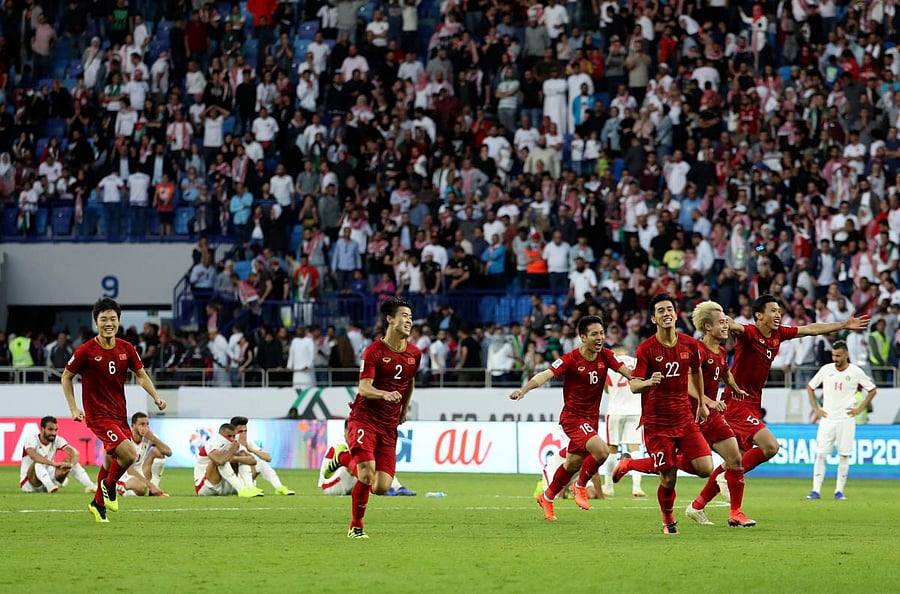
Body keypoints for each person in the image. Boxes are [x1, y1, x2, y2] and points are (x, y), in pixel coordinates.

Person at [694, 295, 870, 508]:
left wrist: (844, 324)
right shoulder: (749, 333)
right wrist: (724, 320)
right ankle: (728, 478)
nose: (778, 314)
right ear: (759, 315)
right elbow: (735, 327)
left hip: (753, 403)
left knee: (737, 457)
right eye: (773, 311)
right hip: (737, 401)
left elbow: (811, 329)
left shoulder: (779, 334)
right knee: (770, 447)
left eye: (779, 311)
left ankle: (697, 505)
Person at [510, 314, 633, 519]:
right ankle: (579, 485)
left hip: (591, 420)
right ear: (583, 337)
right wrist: (524, 390)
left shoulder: (606, 356)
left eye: (601, 333)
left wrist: (646, 381)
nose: (599, 337)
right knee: (601, 451)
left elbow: (628, 372)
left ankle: (547, 498)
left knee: (572, 464)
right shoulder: (571, 359)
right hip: (573, 419)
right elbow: (545, 375)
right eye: (594, 334)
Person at [321, 298, 422, 538]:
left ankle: (342, 457)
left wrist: (404, 410)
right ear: (390, 319)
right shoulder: (374, 351)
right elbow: (364, 388)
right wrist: (384, 394)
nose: (409, 320)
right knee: (366, 474)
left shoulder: (414, 354)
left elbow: (409, 382)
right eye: (404, 315)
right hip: (365, 418)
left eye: (411, 317)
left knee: (381, 487)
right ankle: (356, 527)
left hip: (389, 425)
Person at [61, 298, 168, 523]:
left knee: (111, 462)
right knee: (130, 454)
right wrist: (73, 407)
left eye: (112, 318)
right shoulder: (86, 351)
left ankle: (98, 505)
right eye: (103, 319)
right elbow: (66, 376)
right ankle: (110, 486)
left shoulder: (126, 348)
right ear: (96, 322)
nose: (108, 323)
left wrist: (156, 397)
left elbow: (140, 375)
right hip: (98, 416)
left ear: (118, 321)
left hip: (120, 414)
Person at [614, 294, 712, 535]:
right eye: (661, 310)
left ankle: (632, 463)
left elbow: (696, 372)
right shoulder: (647, 348)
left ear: (676, 314)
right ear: (653, 318)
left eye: (670, 309)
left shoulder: (689, 344)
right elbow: (634, 385)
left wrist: (701, 402)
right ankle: (668, 520)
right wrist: (648, 382)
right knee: (668, 479)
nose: (666, 313)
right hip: (657, 422)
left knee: (705, 468)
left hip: (684, 418)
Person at [683, 301, 756, 527]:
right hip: (693, 414)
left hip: (710, 414)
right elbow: (687, 382)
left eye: (726, 322)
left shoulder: (722, 350)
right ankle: (630, 465)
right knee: (681, 465)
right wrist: (707, 401)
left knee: (735, 458)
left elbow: (725, 373)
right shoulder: (697, 350)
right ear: (707, 327)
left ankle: (734, 512)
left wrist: (735, 389)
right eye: (721, 323)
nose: (726, 326)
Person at [805, 340, 877, 500]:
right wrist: (816, 409)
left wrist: (860, 408)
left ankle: (839, 491)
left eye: (838, 355)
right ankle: (815, 490)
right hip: (828, 419)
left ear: (846, 355)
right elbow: (810, 387)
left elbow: (872, 390)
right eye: (833, 355)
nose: (835, 358)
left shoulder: (855, 371)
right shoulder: (826, 370)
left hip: (846, 420)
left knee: (844, 455)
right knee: (821, 454)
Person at [600, 346, 644, 498]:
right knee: (635, 449)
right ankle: (637, 487)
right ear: (625, 351)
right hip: (635, 410)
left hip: (615, 410)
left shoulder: (609, 364)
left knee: (612, 448)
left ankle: (608, 486)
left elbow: (606, 389)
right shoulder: (637, 362)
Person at [20, 416, 96, 494]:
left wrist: (71, 464)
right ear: (42, 429)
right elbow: (33, 455)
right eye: (50, 429)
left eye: (56, 430)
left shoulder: (57, 440)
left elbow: (74, 453)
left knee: (70, 461)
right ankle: (49, 486)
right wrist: (54, 464)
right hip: (30, 484)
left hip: (49, 478)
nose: (53, 433)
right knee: (38, 462)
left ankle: (90, 486)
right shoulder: (32, 439)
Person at [193, 422, 265, 498]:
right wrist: (232, 451)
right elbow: (219, 461)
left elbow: (253, 461)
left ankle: (250, 488)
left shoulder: (234, 443)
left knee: (242, 456)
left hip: (227, 484)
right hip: (207, 486)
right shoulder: (212, 442)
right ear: (221, 434)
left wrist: (235, 458)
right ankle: (241, 490)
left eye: (234, 436)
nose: (232, 439)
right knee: (220, 460)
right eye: (229, 436)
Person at [230, 416, 296, 495]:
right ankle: (249, 488)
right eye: (240, 431)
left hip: (248, 480)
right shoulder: (230, 444)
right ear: (233, 432)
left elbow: (268, 458)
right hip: (235, 484)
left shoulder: (248, 443)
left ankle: (279, 488)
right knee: (244, 460)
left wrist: (251, 449)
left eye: (245, 431)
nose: (244, 434)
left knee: (262, 462)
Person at [115, 412, 172, 497]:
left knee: (159, 452)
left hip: (139, 471)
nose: (145, 427)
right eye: (142, 424)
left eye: (147, 424)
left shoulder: (149, 437)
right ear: (133, 426)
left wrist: (153, 438)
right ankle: (120, 489)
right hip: (124, 475)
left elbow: (168, 452)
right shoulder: (126, 440)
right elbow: (130, 470)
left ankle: (154, 490)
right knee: (142, 488)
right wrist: (150, 485)